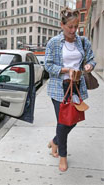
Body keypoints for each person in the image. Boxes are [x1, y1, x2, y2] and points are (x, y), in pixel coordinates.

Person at [44, 7, 96, 172]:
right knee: (63, 122)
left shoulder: (83, 41)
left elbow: (92, 59)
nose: (74, 31)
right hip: (59, 88)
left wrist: (88, 66)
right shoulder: (54, 42)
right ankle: (63, 157)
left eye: (76, 27)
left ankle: (55, 141)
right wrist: (66, 70)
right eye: (70, 27)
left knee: (73, 120)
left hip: (76, 87)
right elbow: (48, 65)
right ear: (62, 25)